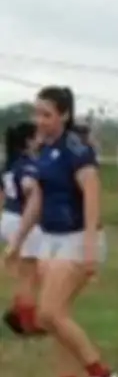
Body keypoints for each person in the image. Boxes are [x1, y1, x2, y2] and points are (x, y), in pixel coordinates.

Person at [5, 86, 118, 377]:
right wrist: (18, 240)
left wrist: (89, 245)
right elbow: (37, 200)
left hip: (76, 238)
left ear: (65, 115)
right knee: (57, 317)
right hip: (52, 237)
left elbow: (92, 194)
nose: (39, 120)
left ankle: (102, 376)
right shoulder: (45, 150)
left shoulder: (75, 149)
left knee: (49, 313)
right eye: (37, 113)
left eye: (47, 114)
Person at [2, 122, 44, 336]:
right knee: (30, 274)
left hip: (9, 216)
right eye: (38, 136)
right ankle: (25, 320)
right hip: (23, 219)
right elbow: (29, 188)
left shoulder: (10, 164)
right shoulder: (28, 164)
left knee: (24, 272)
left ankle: (19, 312)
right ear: (29, 140)